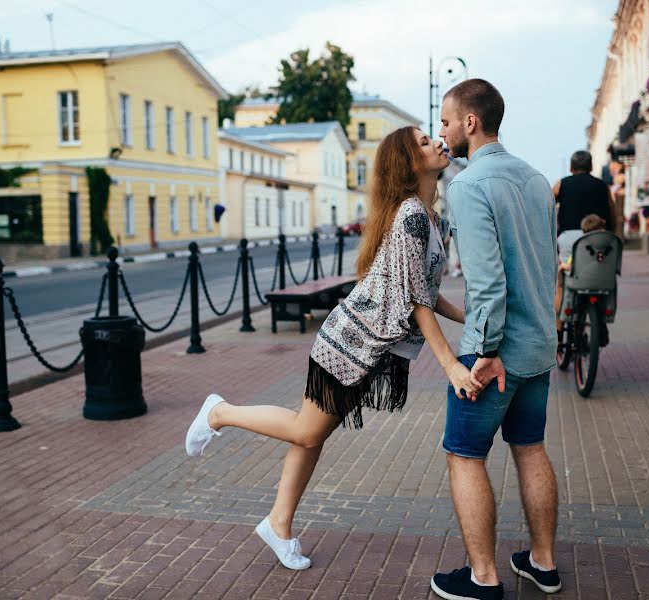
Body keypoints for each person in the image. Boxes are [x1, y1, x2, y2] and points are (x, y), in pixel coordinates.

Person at [184, 126, 478, 571]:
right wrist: (450, 364)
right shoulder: (411, 216)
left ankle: (278, 525)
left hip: (367, 343)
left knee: (311, 435)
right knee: (306, 431)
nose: (436, 142)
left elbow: (425, 290)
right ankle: (219, 412)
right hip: (350, 341)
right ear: (408, 162)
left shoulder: (430, 218)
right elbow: (416, 298)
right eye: (423, 142)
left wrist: (466, 317)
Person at [430, 78, 561, 600]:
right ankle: (543, 564)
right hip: (537, 347)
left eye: (444, 121)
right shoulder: (535, 179)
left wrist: (483, 353)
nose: (441, 131)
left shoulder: (467, 185)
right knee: (530, 448)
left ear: (470, 122)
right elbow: (546, 267)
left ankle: (483, 577)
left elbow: (485, 282)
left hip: (498, 354)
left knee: (465, 454)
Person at [553, 150, 616, 265]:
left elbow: (547, 205)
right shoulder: (603, 186)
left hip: (569, 238)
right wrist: (613, 234)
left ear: (571, 168)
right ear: (591, 167)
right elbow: (612, 212)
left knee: (565, 270)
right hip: (598, 237)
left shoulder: (561, 184)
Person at [554, 214, 607, 346]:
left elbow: (570, 265)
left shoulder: (580, 248)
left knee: (562, 281)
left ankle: (560, 325)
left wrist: (562, 266)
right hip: (602, 284)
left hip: (580, 284)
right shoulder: (608, 246)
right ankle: (601, 325)